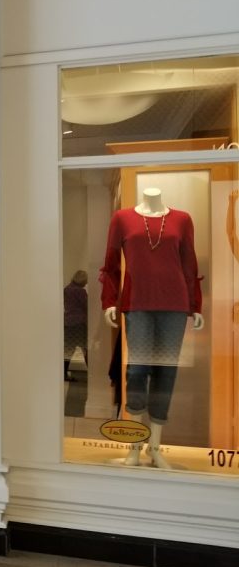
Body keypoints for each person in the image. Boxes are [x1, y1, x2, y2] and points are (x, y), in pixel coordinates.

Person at [100, 188, 203, 469]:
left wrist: (195, 306)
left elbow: (189, 264)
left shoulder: (183, 219)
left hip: (175, 305)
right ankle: (135, 446)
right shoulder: (122, 218)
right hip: (137, 303)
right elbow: (110, 264)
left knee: (166, 373)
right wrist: (109, 301)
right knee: (137, 371)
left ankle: (155, 448)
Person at [63, 269, 88, 379]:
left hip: (68, 322)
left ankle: (63, 372)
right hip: (79, 323)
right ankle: (92, 373)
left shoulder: (66, 289)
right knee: (85, 347)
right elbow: (86, 305)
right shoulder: (81, 291)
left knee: (68, 348)